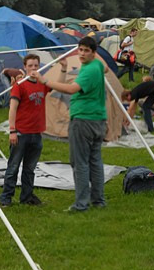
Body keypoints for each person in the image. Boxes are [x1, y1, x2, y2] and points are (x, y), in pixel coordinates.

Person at [32, 36, 107, 212]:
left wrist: (45, 81)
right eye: (80, 49)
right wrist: (65, 69)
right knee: (95, 161)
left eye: (86, 51)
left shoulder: (89, 70)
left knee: (79, 162)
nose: (81, 54)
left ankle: (81, 204)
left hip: (83, 120)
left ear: (93, 53)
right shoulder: (97, 65)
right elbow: (107, 69)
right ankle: (99, 201)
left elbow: (72, 89)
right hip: (98, 120)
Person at [0, 54, 50, 207]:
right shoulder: (20, 85)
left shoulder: (42, 84)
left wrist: (65, 67)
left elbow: (56, 84)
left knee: (30, 168)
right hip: (21, 132)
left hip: (37, 132)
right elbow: (12, 109)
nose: (34, 68)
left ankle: (27, 196)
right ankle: (6, 198)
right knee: (13, 166)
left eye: (36, 65)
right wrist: (12, 130)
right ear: (25, 67)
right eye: (31, 66)